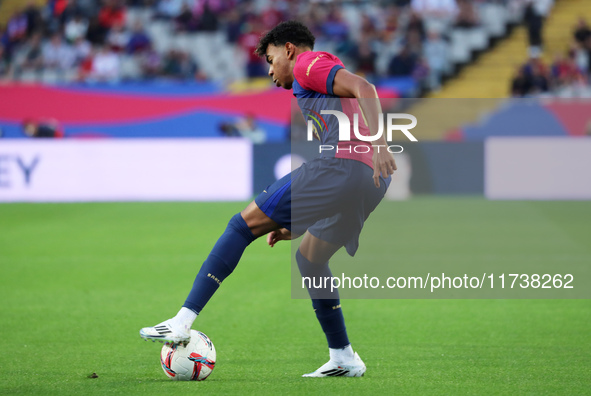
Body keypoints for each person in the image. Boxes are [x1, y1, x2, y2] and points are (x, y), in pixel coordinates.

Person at [139, 20, 397, 378]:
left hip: (343, 166)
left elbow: (365, 87)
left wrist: (380, 144)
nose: (271, 72)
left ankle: (183, 321)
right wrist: (302, 218)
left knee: (241, 226)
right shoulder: (320, 74)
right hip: (370, 182)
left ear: (288, 49)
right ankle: (344, 357)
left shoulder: (308, 64)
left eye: (271, 59)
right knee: (311, 259)